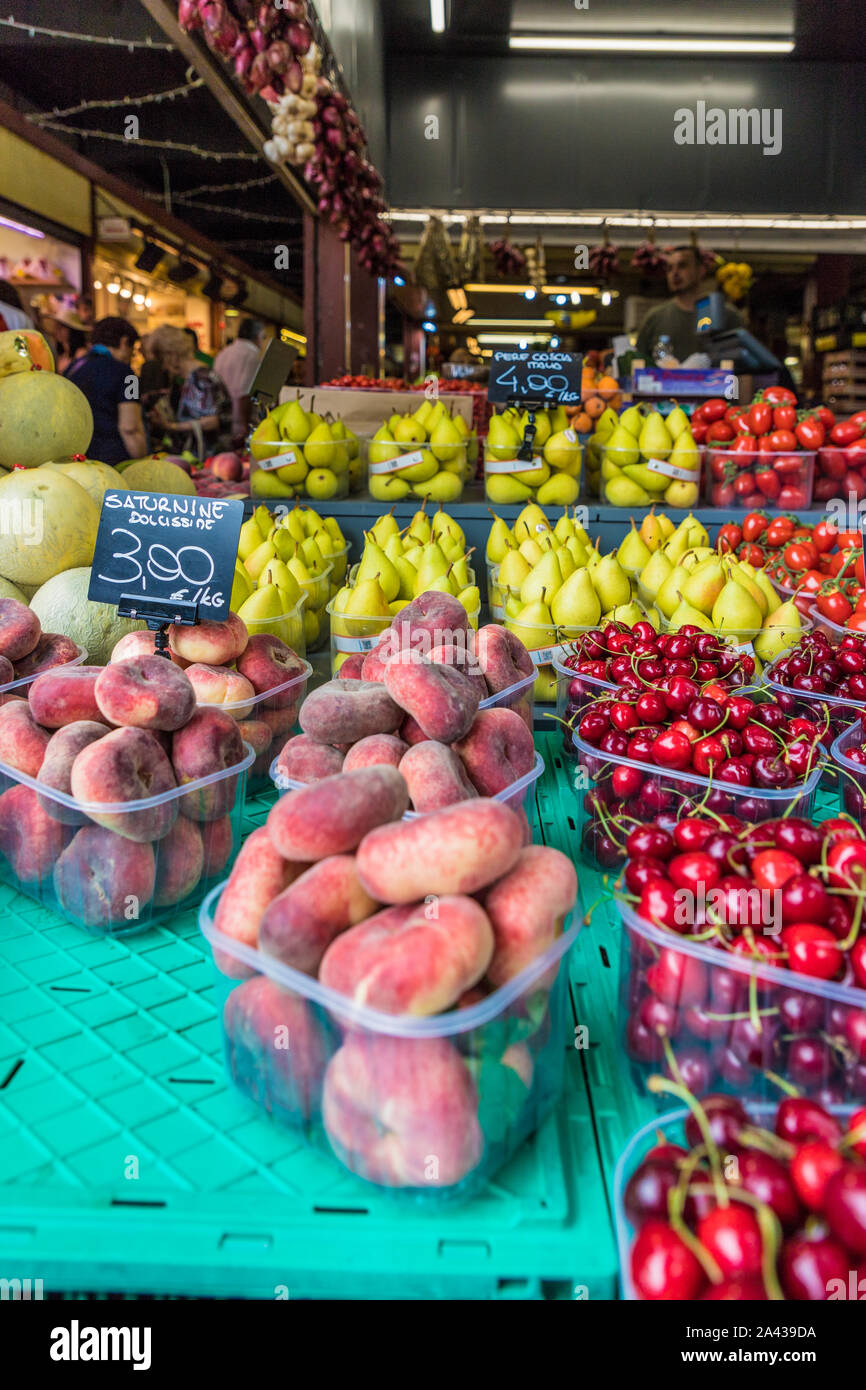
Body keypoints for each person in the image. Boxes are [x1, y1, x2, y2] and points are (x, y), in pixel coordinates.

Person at [635, 245, 743, 365]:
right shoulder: (655, 317)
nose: (674, 273)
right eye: (669, 268)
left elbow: (743, 369)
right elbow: (638, 366)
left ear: (701, 271)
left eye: (682, 266)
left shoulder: (726, 314)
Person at [64, 316, 147, 464]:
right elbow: (130, 427)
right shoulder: (129, 376)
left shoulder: (72, 368)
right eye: (132, 351)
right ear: (124, 342)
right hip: (113, 460)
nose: (130, 357)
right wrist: (142, 459)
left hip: (76, 457)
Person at [214, 318, 265, 445]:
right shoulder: (251, 355)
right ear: (258, 335)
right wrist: (245, 428)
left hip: (220, 422)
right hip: (239, 426)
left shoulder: (224, 353)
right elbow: (245, 394)